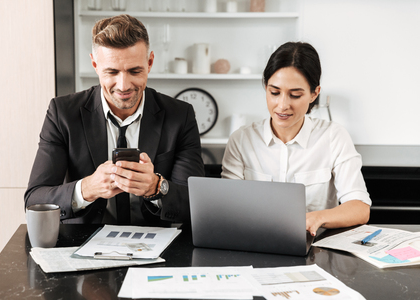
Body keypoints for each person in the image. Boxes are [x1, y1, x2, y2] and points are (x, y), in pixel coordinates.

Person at [25, 14, 204, 225]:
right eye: (111, 72)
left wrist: (156, 187)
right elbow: (34, 201)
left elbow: (194, 204)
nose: (123, 86)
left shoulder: (180, 116)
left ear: (150, 62)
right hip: (82, 245)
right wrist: (87, 188)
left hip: (158, 246)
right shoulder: (62, 113)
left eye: (134, 71)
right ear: (95, 64)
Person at [221, 42, 371, 236]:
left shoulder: (334, 137)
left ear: (314, 94)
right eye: (274, 92)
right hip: (256, 244)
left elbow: (359, 208)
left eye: (295, 95)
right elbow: (226, 207)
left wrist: (317, 217)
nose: (282, 105)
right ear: (265, 87)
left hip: (316, 250)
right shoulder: (241, 140)